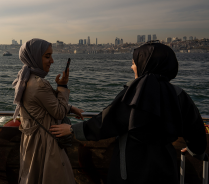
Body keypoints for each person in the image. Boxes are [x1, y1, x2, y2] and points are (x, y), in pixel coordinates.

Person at [50, 42, 207, 184]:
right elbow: (196, 128)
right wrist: (195, 151)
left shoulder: (135, 92)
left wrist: (72, 129)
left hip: (130, 167)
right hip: (166, 165)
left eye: (134, 63)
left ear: (144, 63)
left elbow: (107, 121)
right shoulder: (179, 94)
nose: (132, 67)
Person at [13, 38, 83, 184]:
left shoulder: (24, 79)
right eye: (47, 56)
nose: (52, 60)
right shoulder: (40, 84)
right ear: (34, 57)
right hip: (45, 145)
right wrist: (62, 87)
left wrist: (70, 107)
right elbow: (58, 112)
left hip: (32, 143)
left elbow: (43, 105)